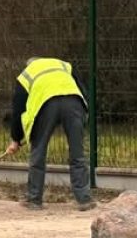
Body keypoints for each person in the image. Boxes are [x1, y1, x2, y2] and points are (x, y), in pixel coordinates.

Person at [7, 57, 95, 211]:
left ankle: (34, 200)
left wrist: (16, 139)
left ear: (28, 65)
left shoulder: (26, 74)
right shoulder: (63, 65)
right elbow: (82, 90)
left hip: (45, 106)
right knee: (77, 153)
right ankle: (84, 199)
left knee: (38, 153)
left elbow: (18, 110)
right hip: (74, 103)